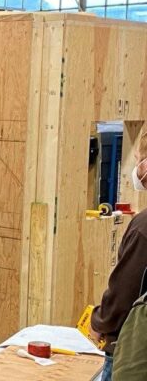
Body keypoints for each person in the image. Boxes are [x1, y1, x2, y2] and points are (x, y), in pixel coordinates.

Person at [90, 150, 147, 381]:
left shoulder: (144, 228)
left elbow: (126, 291)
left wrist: (101, 321)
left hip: (132, 347)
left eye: (139, 161)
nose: (137, 169)